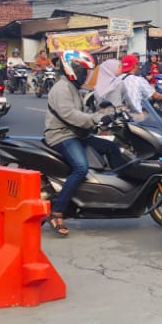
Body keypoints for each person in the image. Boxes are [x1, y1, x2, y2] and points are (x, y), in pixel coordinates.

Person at [42, 50, 127, 237]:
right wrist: (96, 119)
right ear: (72, 69)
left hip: (76, 134)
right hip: (61, 135)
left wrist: (105, 117)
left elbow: (84, 115)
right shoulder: (61, 88)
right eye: (84, 70)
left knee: (112, 147)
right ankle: (57, 211)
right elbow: (71, 116)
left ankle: (121, 191)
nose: (86, 74)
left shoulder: (73, 88)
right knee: (81, 168)